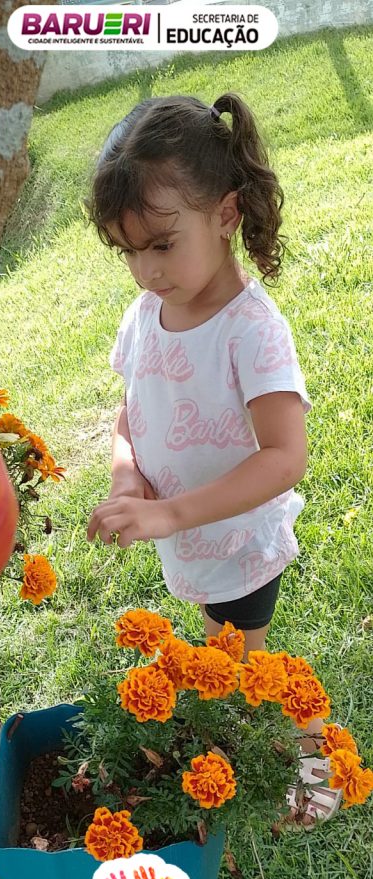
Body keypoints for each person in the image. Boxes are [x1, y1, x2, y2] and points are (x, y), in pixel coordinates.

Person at [86, 92, 338, 828]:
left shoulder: (249, 330)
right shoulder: (146, 315)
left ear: (225, 214)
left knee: (257, 667)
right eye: (127, 251)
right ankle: (248, 737)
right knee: (225, 652)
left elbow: (284, 456)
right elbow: (130, 411)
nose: (144, 270)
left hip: (237, 545)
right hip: (191, 541)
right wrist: (128, 476)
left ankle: (319, 769)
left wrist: (171, 512)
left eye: (161, 245)